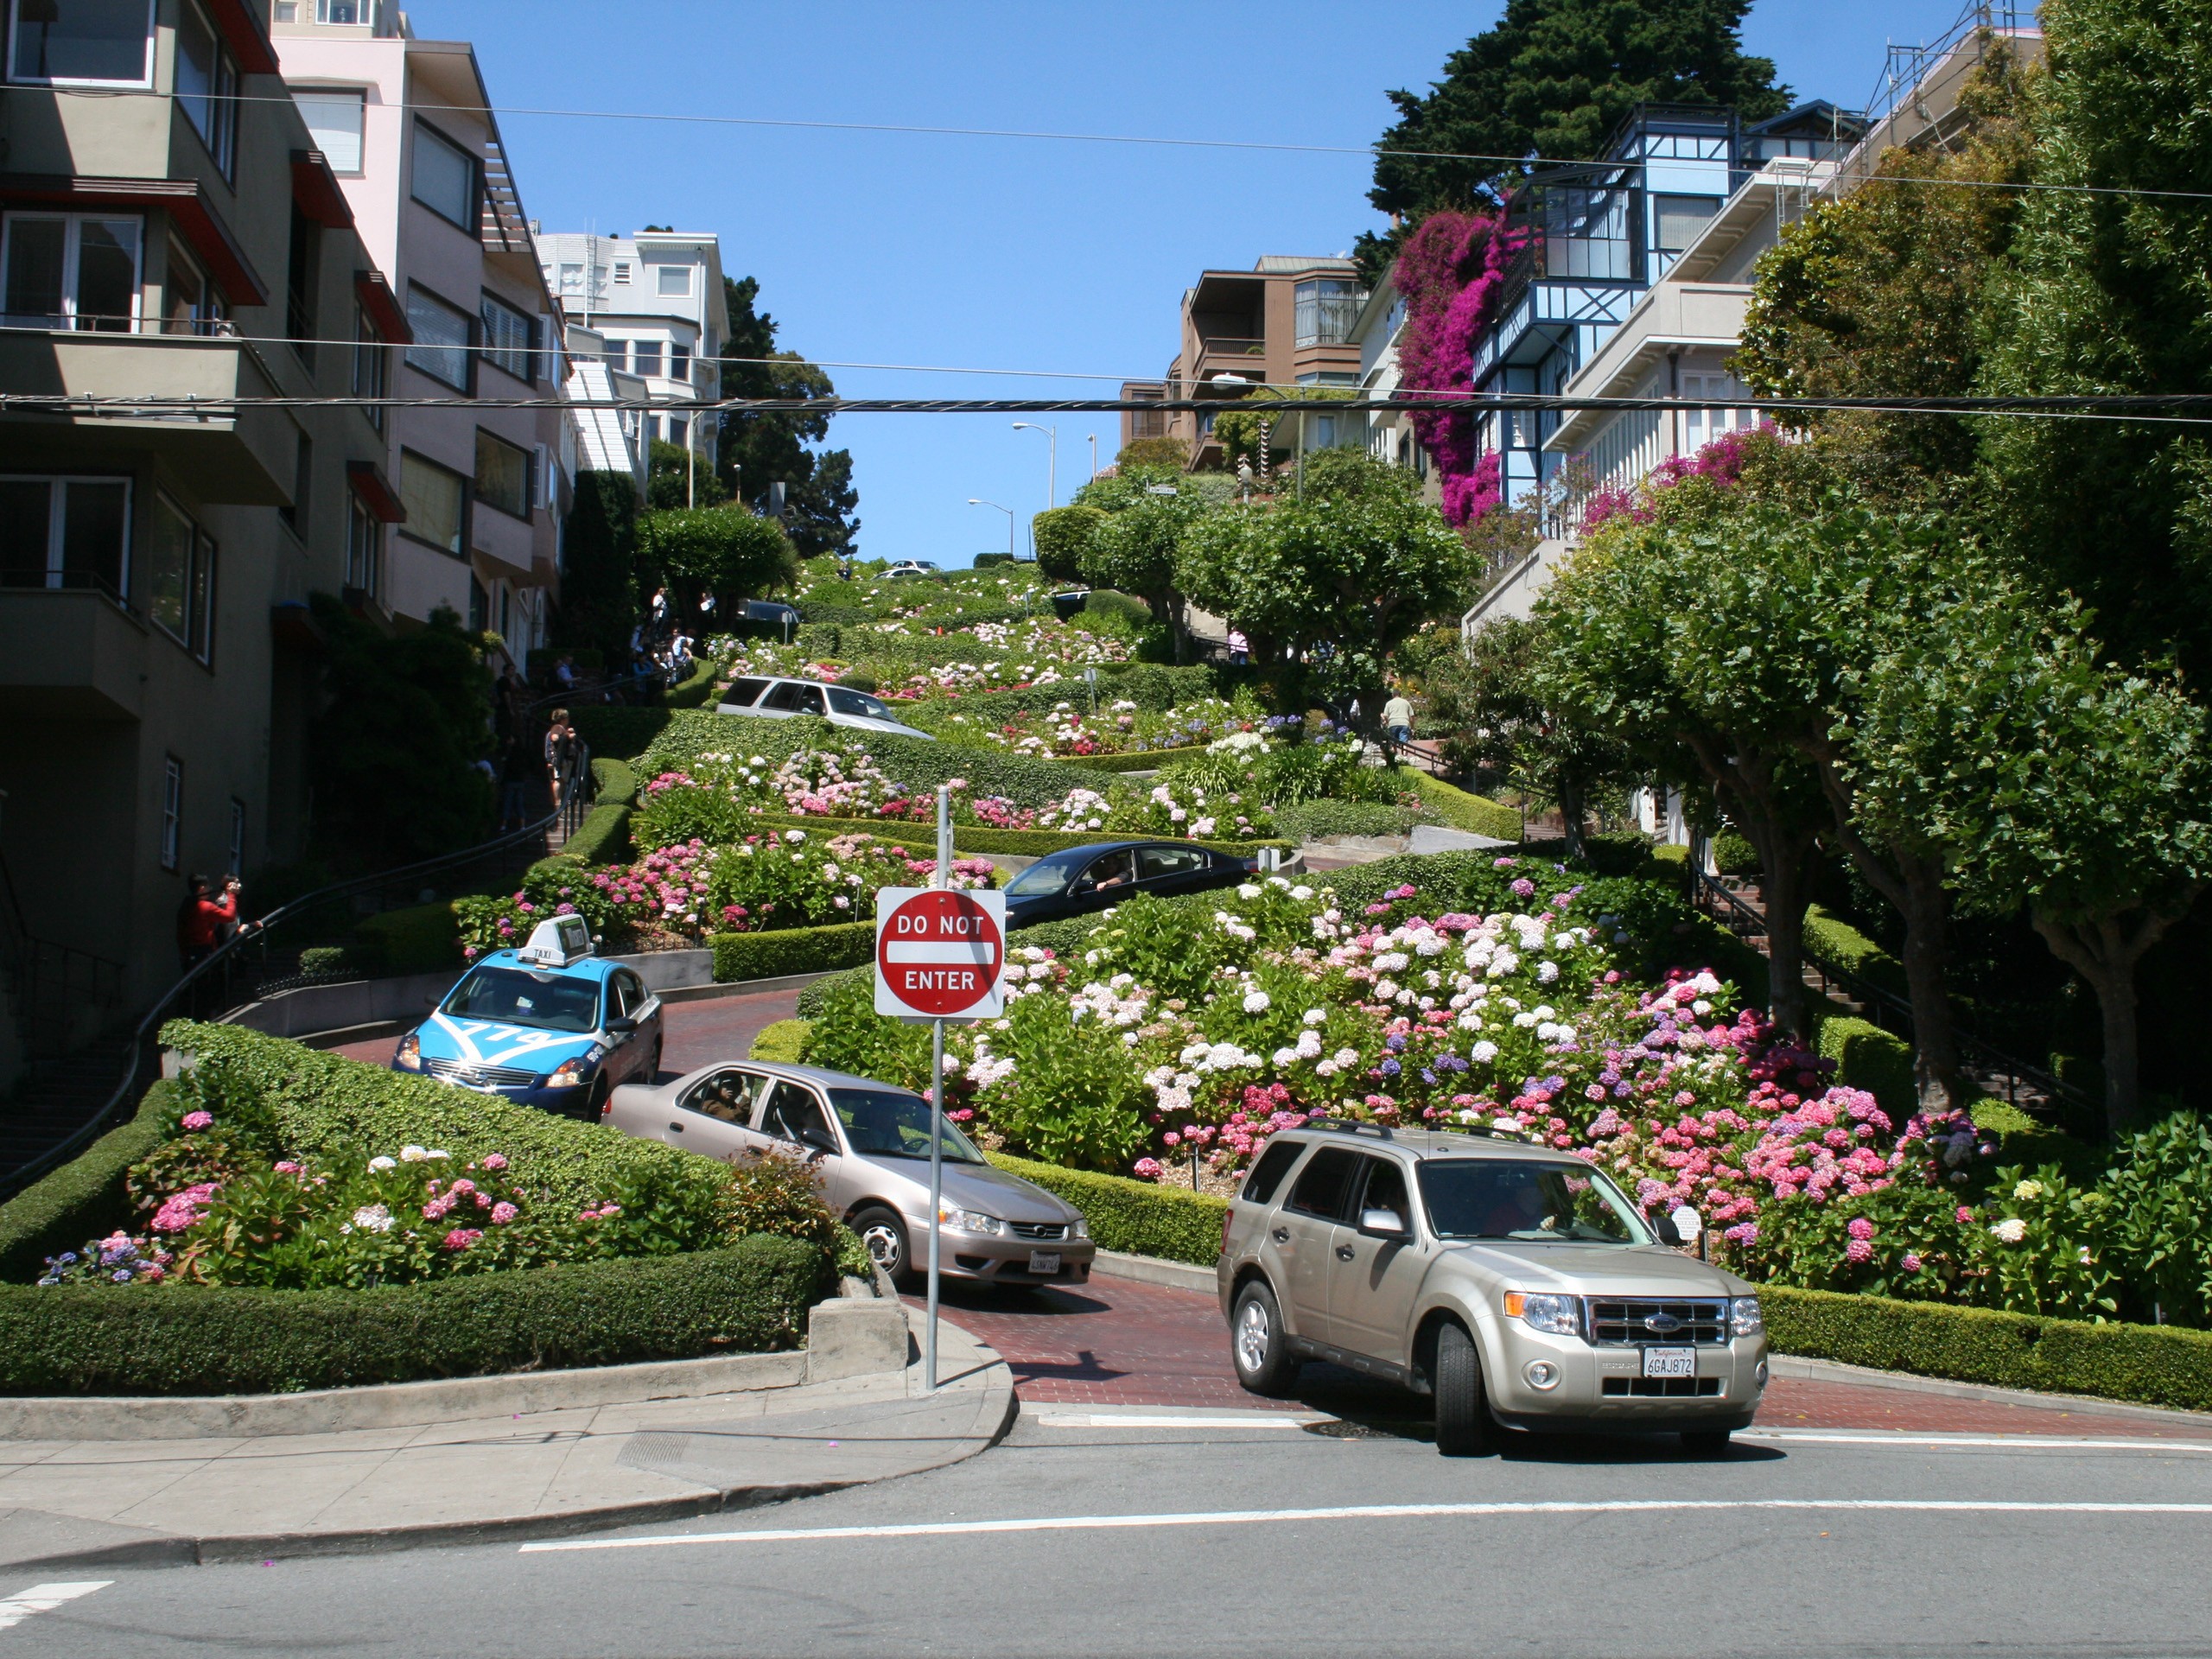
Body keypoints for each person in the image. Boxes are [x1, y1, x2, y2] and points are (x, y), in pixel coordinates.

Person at [175, 874, 238, 976]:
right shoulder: (205, 907)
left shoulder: (185, 906)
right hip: (204, 955)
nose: (210, 888)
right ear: (202, 888)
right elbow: (230, 916)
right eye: (208, 886)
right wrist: (231, 895)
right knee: (206, 986)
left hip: (188, 955)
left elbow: (180, 935)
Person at [543, 709, 578, 810]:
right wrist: (568, 736)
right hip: (560, 760)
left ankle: (559, 803)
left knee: (561, 781)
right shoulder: (557, 727)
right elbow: (555, 738)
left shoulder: (562, 729)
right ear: (563, 719)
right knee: (558, 780)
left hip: (564, 760)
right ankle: (557, 804)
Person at [1382, 686, 1415, 752]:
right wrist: (1412, 727)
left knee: (1393, 741)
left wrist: (1388, 723)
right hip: (1404, 723)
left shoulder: (1389, 703)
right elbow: (1412, 716)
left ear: (1392, 695)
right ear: (1400, 694)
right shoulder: (1406, 702)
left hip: (1393, 723)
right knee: (1404, 741)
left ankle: (1395, 757)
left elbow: (1385, 715)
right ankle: (1404, 756)